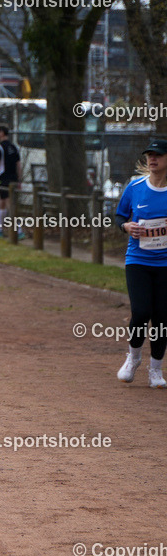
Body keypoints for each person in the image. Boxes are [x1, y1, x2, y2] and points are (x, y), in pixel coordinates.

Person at [114, 139, 167, 388]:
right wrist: (126, 226)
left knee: (162, 317)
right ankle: (133, 358)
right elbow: (118, 215)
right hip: (138, 260)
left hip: (165, 264)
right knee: (141, 311)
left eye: (158, 155)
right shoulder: (135, 187)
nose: (152, 159)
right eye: (149, 155)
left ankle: (156, 370)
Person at [0, 124, 24, 239]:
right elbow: (18, 165)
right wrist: (19, 179)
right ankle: (0, 229)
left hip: (4, 179)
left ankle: (19, 230)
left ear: (2, 133)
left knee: (9, 204)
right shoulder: (14, 147)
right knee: (1, 203)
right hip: (13, 179)